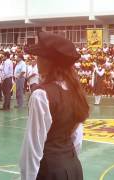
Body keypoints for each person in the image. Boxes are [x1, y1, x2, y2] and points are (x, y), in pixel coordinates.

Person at [20, 32, 89, 180]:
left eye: (39, 56)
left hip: (49, 171)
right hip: (73, 168)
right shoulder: (75, 91)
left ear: (48, 62)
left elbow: (32, 148)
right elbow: (76, 139)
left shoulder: (41, 95)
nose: (37, 60)